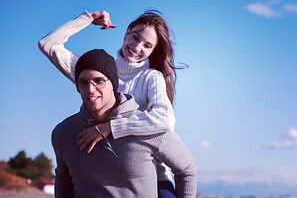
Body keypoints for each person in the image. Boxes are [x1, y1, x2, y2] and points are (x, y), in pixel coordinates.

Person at [39, 10, 179, 197]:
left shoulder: (151, 78)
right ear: (127, 31)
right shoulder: (96, 72)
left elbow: (166, 120)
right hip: (100, 172)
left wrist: (110, 127)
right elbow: (48, 44)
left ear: (153, 50)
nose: (137, 47)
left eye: (147, 45)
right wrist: (87, 19)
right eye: (135, 37)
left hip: (151, 175)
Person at [52, 49, 196, 198]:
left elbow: (186, 170)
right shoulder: (64, 132)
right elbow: (63, 178)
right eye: (83, 82)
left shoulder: (147, 126)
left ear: (113, 83)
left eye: (99, 81)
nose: (90, 89)